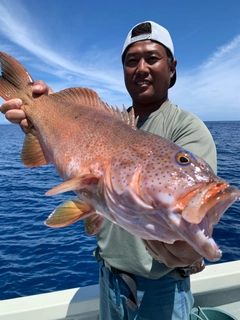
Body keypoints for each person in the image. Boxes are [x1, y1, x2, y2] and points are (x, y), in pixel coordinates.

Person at [1, 21, 217, 319]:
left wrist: (191, 252)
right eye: (132, 60)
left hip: (162, 290)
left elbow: (191, 226)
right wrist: (44, 111)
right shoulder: (104, 119)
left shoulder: (187, 129)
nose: (141, 67)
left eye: (153, 58)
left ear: (172, 67)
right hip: (109, 282)